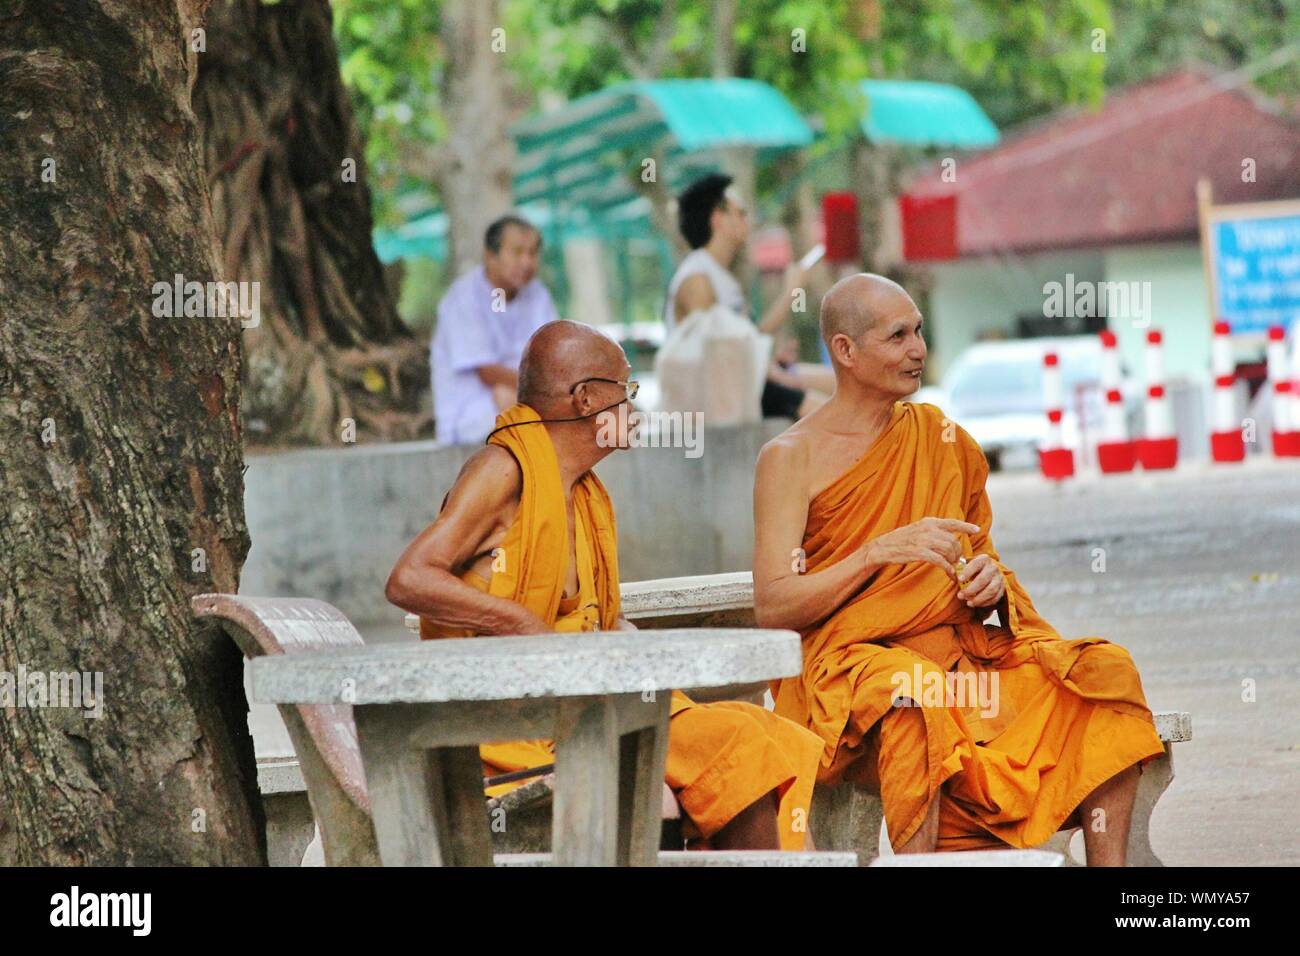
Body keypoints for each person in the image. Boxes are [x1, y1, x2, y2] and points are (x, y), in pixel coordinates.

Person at [751, 273, 1166, 864]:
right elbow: (774, 604)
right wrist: (872, 555)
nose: (919, 349)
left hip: (960, 657)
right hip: (849, 673)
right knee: (912, 696)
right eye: (898, 336)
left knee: (1102, 671)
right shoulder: (790, 458)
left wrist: (990, 587)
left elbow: (980, 558)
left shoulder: (942, 439)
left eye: (919, 331)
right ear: (845, 351)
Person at [387, 320, 823, 851]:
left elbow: (587, 619)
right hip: (508, 723)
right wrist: (519, 624)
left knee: (758, 736)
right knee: (744, 744)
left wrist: (629, 640)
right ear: (586, 398)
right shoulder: (504, 470)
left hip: (581, 705)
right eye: (626, 391)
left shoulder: (582, 493)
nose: (634, 409)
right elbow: (409, 577)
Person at [665, 173, 835, 419]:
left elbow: (742, 342)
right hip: (722, 396)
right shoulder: (697, 280)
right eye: (741, 213)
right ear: (719, 220)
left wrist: (769, 359)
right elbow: (719, 357)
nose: (749, 220)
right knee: (834, 414)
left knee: (860, 384)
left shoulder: (720, 276)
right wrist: (791, 292)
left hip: (746, 383)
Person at [430, 214, 557, 445]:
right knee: (509, 399)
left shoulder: (538, 295)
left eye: (533, 253)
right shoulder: (464, 297)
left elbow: (553, 356)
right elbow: (487, 372)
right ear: (491, 256)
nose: (527, 262)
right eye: (517, 252)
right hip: (469, 417)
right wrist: (551, 391)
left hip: (525, 401)